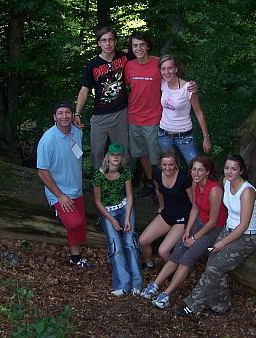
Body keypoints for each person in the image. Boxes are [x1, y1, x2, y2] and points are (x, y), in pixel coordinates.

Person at [176, 154, 256, 316]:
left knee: (214, 268)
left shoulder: (247, 191)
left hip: (245, 237)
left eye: (234, 169)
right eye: (227, 168)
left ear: (241, 170)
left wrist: (222, 242)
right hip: (228, 229)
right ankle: (218, 302)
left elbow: (243, 226)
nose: (229, 172)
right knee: (212, 266)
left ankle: (198, 305)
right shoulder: (226, 183)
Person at [140, 156, 227, 309]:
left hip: (212, 229)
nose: (196, 173)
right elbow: (194, 208)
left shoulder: (214, 190)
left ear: (207, 172)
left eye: (200, 170)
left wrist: (194, 237)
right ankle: (154, 285)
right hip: (198, 222)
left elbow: (213, 221)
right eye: (194, 169)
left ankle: (167, 294)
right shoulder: (194, 184)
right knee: (176, 254)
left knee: (186, 258)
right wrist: (187, 230)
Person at [125, 33, 198, 198]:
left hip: (153, 119)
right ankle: (152, 182)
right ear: (131, 48)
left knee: (157, 157)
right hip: (133, 118)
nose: (139, 48)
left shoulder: (158, 64)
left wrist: (190, 86)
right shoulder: (128, 66)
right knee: (141, 153)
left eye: (142, 44)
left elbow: (172, 78)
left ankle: (164, 189)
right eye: (135, 45)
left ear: (147, 45)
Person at [36, 102, 92, 268]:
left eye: (67, 112)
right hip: (59, 192)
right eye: (60, 113)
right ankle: (58, 211)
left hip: (77, 188)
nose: (64, 116)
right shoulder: (48, 140)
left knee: (80, 224)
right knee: (74, 223)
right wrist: (60, 196)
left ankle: (75, 258)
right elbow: (42, 171)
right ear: (54, 117)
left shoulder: (77, 131)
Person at [75, 26, 130, 169]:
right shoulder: (92, 65)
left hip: (121, 113)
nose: (108, 43)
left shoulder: (124, 57)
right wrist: (77, 113)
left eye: (111, 40)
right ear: (99, 43)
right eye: (104, 40)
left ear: (116, 41)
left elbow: (144, 56)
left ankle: (122, 184)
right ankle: (99, 186)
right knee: (97, 152)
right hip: (100, 116)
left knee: (122, 151)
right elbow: (84, 90)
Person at [91, 143, 142, 296]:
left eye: (118, 155)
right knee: (116, 246)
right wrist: (111, 220)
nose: (115, 157)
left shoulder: (125, 172)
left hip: (125, 209)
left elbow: (130, 195)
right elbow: (97, 201)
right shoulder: (99, 175)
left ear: (122, 158)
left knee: (130, 243)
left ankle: (137, 284)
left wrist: (127, 217)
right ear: (107, 156)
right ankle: (122, 284)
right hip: (108, 212)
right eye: (113, 154)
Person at [138, 151, 192, 269]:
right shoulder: (157, 173)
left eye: (171, 165)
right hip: (167, 213)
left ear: (176, 165)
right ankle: (149, 263)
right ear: (160, 165)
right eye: (164, 165)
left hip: (182, 217)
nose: (167, 168)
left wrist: (190, 224)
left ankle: (173, 272)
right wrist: (161, 206)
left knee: (163, 251)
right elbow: (158, 191)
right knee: (143, 241)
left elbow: (194, 202)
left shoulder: (184, 177)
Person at [157, 55, 211, 164]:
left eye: (170, 68)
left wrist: (206, 137)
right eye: (163, 69)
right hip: (164, 135)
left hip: (185, 137)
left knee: (195, 167)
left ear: (176, 69)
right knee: (169, 168)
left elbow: (199, 112)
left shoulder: (188, 88)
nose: (167, 72)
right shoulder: (162, 83)